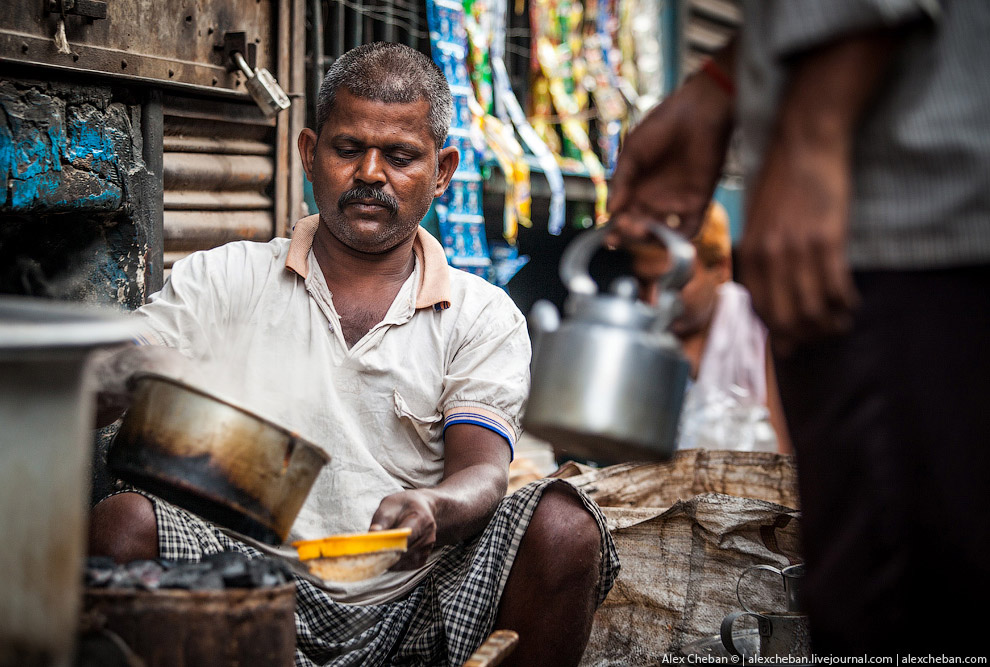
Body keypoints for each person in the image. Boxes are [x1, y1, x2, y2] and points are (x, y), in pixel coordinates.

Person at [88, 42, 619, 667]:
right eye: (348, 150)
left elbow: (484, 475)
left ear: (442, 170)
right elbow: (102, 381)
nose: (371, 174)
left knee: (564, 525)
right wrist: (131, 371)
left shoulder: (482, 314)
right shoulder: (225, 279)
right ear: (310, 154)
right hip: (247, 578)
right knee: (123, 523)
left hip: (417, 596)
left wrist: (434, 507)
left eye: (400, 156)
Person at [606, 1, 989, 657]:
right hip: (895, 237)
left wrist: (810, 133)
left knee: (903, 613)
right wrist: (720, 87)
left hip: (904, 227)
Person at [634, 201, 790, 454]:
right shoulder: (635, 336)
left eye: (675, 282)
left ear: (722, 268)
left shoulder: (763, 330)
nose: (654, 300)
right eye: (644, 282)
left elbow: (785, 454)